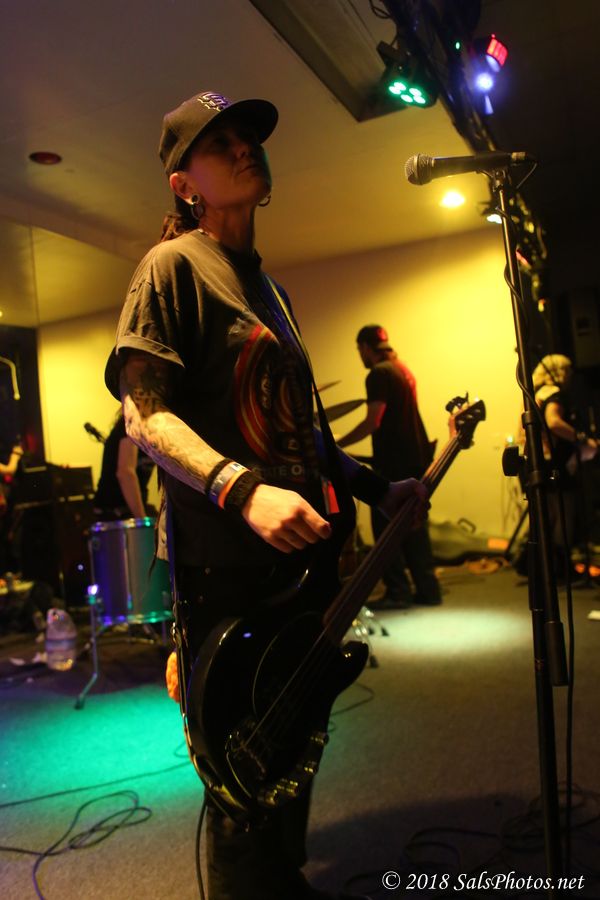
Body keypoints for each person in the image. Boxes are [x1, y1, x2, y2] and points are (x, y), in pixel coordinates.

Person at [104, 90, 429, 900]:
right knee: (241, 775)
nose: (246, 146)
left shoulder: (272, 291)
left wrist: (375, 486)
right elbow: (143, 414)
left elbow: (300, 431)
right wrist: (240, 490)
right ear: (185, 184)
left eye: (250, 136)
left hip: (297, 565)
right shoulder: (172, 268)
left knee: (295, 745)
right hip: (226, 572)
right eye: (221, 142)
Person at [338, 325, 441, 608]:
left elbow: (374, 420)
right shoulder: (402, 369)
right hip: (415, 457)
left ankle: (398, 592)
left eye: (359, 350)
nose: (360, 355)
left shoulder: (378, 374)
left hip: (393, 463)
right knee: (414, 526)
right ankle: (428, 590)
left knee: (384, 529)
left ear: (365, 347)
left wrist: (337, 446)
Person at [530, 353, 598, 582]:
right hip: (556, 465)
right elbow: (554, 422)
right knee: (564, 516)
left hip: (540, 462)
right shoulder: (554, 394)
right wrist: (581, 438)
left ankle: (551, 569)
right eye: (568, 371)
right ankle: (562, 568)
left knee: (549, 518)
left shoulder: (536, 394)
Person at [92, 412, 154, 521]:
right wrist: (142, 520)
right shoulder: (131, 423)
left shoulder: (151, 429)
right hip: (115, 512)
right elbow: (125, 473)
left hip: (127, 510)